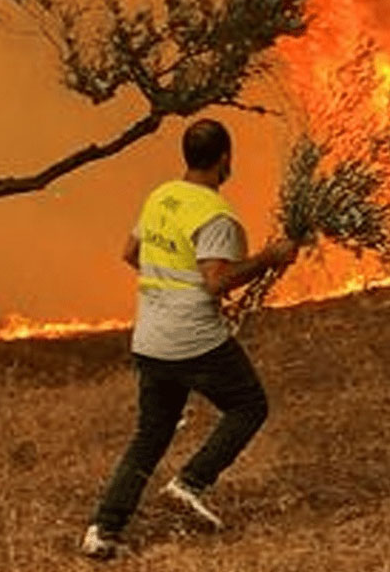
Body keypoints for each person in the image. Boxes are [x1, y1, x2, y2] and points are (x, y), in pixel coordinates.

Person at [81, 119, 297, 560]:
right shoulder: (216, 215)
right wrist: (270, 257)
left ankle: (103, 531)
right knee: (250, 405)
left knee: (151, 435)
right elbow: (217, 282)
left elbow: (129, 253)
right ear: (225, 159)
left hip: (151, 337)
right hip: (192, 337)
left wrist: (165, 284)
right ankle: (190, 483)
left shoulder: (162, 196)